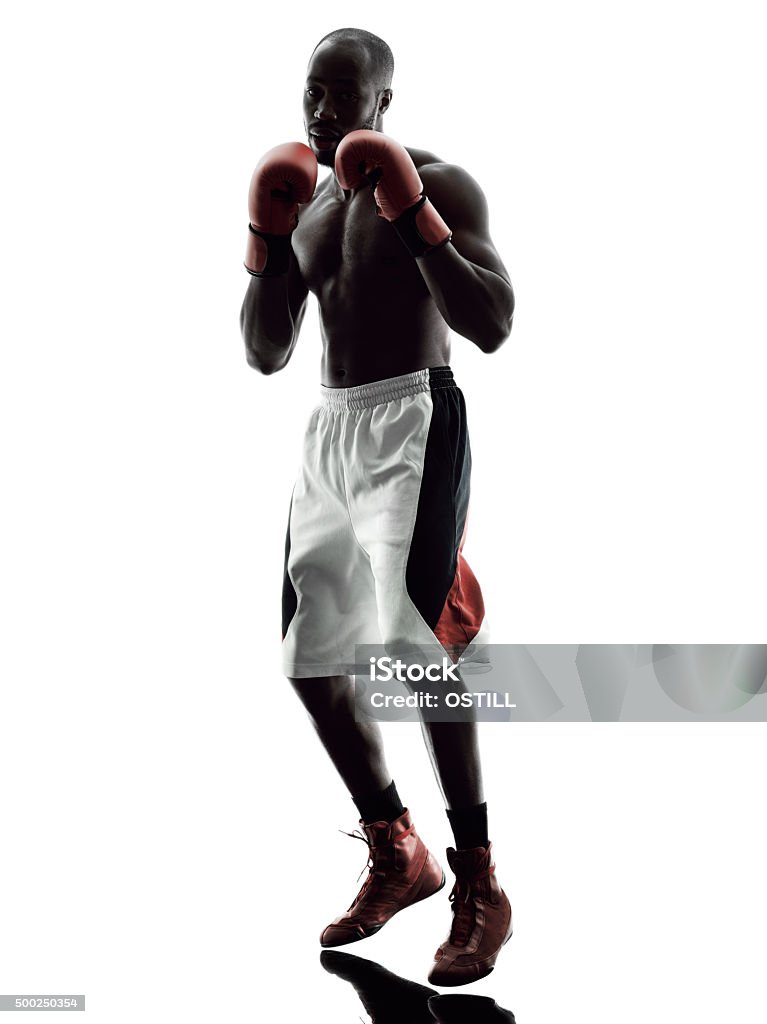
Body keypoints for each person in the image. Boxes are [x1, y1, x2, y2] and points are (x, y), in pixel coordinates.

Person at [239, 27, 515, 987]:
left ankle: (481, 883)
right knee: (309, 659)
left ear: (382, 102)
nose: (318, 112)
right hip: (330, 428)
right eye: (310, 91)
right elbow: (266, 352)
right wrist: (265, 240)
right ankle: (398, 852)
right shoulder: (305, 206)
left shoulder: (440, 180)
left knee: (425, 650)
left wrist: (413, 212)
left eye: (340, 94)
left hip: (416, 414)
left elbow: (491, 323)